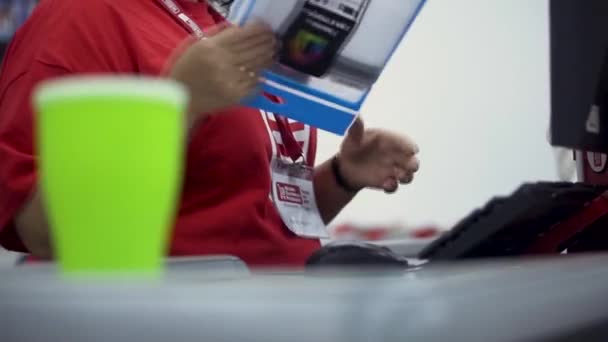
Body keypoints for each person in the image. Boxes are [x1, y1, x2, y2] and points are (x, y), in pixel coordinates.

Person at [0, 0, 420, 267]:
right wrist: (179, 103)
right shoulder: (81, 17)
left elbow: (250, 218)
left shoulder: (231, 20)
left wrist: (342, 177)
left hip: (282, 303)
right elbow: (41, 232)